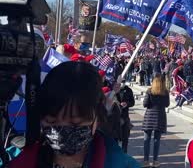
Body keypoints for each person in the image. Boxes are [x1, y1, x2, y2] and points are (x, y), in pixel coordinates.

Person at [9, 61, 138, 168]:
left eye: (75, 123)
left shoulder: (121, 164)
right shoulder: (16, 161)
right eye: (51, 121)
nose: (61, 131)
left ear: (97, 117)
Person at [142, 75, 170, 167]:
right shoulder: (165, 92)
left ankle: (146, 161)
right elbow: (167, 104)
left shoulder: (149, 91)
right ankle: (155, 161)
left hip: (149, 117)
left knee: (146, 139)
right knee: (156, 140)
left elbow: (145, 104)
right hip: (160, 116)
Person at [116, 79, 135, 153]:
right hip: (115, 117)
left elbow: (132, 102)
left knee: (125, 138)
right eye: (121, 82)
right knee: (116, 138)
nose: (122, 83)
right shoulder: (114, 90)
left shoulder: (128, 90)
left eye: (123, 82)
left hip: (125, 116)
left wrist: (127, 104)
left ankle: (124, 154)